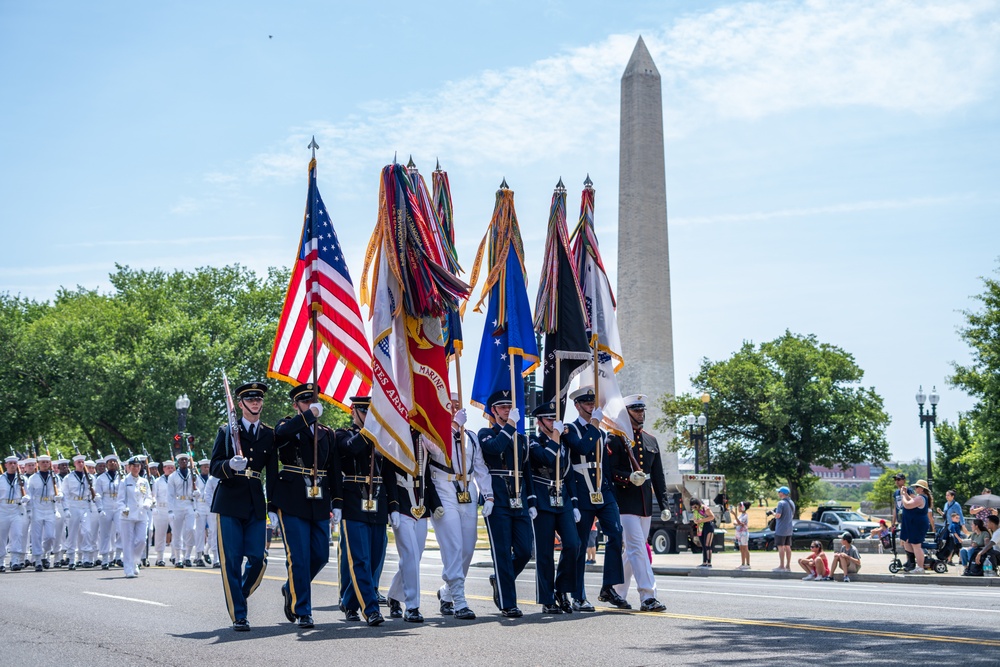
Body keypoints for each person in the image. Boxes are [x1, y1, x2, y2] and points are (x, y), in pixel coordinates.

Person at [273, 382, 345, 629]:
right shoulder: (288, 426)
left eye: (314, 401)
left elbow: (334, 470)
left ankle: (290, 587)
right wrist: (307, 416)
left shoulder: (328, 433)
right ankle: (303, 609)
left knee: (320, 555)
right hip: (292, 498)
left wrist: (337, 502)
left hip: (319, 499)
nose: (311, 405)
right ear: (296, 405)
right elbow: (280, 436)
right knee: (300, 558)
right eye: (305, 402)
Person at [210, 381, 279, 631]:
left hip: (254, 503)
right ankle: (239, 614)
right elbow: (215, 466)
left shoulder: (269, 434)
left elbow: (272, 473)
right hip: (229, 502)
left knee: (258, 560)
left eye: (258, 399)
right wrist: (229, 466)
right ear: (240, 404)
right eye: (250, 399)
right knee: (232, 561)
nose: (255, 403)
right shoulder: (227, 431)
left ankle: (237, 595)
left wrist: (273, 506)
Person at [562, 386, 628, 611]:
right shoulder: (570, 429)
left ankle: (608, 587)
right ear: (577, 406)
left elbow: (606, 466)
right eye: (587, 404)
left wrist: (612, 493)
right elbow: (582, 447)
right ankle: (578, 594)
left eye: (593, 403)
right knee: (580, 544)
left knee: (616, 534)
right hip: (581, 490)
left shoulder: (600, 432)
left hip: (603, 490)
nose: (592, 407)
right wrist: (594, 424)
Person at [428, 393, 491, 621]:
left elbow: (480, 467)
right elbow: (435, 449)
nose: (455, 409)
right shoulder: (433, 433)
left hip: (467, 490)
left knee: (467, 547)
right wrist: (453, 426)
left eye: (458, 406)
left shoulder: (471, 438)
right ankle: (459, 600)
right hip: (443, 489)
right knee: (453, 544)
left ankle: (446, 592)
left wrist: (489, 496)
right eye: (451, 406)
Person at [607, 394, 669, 612]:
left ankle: (616, 590)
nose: (641, 414)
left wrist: (664, 505)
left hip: (644, 503)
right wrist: (627, 477)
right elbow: (609, 471)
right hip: (624, 501)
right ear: (626, 413)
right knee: (637, 547)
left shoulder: (651, 440)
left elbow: (659, 476)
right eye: (636, 410)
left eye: (642, 410)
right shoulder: (615, 439)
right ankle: (648, 596)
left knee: (633, 551)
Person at [337, 394, 394, 627]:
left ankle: (349, 601)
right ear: (354, 412)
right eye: (364, 412)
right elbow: (350, 450)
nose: (369, 416)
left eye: (372, 412)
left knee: (375, 559)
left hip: (378, 502)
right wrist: (370, 430)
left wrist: (394, 507)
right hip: (354, 501)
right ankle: (370, 609)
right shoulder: (343, 434)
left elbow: (389, 472)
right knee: (360, 558)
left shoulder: (382, 438)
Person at [479, 389, 536, 619]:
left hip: (519, 500)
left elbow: (527, 472)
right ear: (493, 411)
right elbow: (494, 449)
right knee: (501, 552)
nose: (507, 410)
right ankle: (507, 603)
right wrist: (511, 425)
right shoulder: (486, 433)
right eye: (502, 407)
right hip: (498, 500)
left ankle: (501, 579)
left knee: (524, 551)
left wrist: (530, 501)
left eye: (509, 407)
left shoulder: (521, 439)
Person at [528, 400, 581, 614]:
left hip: (563, 499)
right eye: (549, 419)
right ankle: (547, 598)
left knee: (573, 544)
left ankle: (562, 589)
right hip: (542, 500)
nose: (554, 421)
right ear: (540, 422)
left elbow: (568, 474)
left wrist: (575, 503)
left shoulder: (565, 443)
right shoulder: (532, 441)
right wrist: (557, 438)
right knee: (545, 552)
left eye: (555, 418)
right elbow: (546, 459)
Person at [386, 430, 439, 623]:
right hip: (401, 504)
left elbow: (427, 478)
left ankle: (393, 594)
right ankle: (412, 606)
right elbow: (388, 475)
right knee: (409, 554)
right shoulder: (394, 435)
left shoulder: (424, 439)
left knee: (415, 557)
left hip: (421, 505)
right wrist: (392, 506)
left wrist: (436, 504)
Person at [117, 457, 153, 578]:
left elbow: (148, 496)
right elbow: (120, 500)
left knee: (142, 540)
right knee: (128, 543)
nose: (136, 468)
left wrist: (148, 503)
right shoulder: (124, 481)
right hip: (127, 515)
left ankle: (135, 561)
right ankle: (128, 568)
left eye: (138, 466)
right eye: (133, 466)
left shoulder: (144, 481)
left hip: (142, 514)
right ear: (129, 467)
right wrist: (123, 508)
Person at [62, 453, 99, 569]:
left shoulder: (90, 477)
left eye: (82, 462)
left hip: (85, 505)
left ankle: (87, 558)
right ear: (74, 464)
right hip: (73, 505)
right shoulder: (68, 477)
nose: (81, 464)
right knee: (72, 533)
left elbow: (95, 493)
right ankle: (72, 558)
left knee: (87, 531)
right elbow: (65, 494)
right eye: (79, 462)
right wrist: (66, 508)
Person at [27, 454, 61, 571]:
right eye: (43, 462)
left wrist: (60, 496)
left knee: (50, 536)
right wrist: (29, 509)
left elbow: (59, 491)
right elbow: (29, 494)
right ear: (38, 464)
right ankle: (37, 560)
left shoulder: (54, 477)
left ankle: (44, 553)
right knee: (36, 536)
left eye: (47, 462)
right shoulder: (33, 478)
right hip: (37, 508)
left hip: (50, 508)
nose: (45, 464)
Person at [167, 452, 198, 568]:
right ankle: (178, 558)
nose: (184, 462)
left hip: (189, 504)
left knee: (191, 529)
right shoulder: (173, 476)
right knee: (176, 533)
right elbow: (170, 495)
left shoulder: (193, 475)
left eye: (186, 460)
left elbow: (197, 491)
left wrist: (197, 493)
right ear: (178, 463)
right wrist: (170, 510)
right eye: (182, 460)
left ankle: (188, 556)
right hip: (177, 504)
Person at [0, 455, 29, 572]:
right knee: (1, 536)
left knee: (17, 535)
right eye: (10, 463)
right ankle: (1, 561)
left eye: (14, 463)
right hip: (3, 509)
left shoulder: (23, 479)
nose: (12, 465)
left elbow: (29, 493)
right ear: (6, 465)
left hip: (17, 509)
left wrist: (27, 497)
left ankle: (15, 560)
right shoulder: (1, 479)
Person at [94, 454, 123, 570]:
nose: (112, 463)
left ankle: (117, 556)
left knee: (121, 531)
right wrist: (100, 508)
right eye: (110, 462)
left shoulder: (122, 477)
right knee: (105, 534)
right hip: (106, 506)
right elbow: (98, 495)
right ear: (106, 465)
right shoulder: (101, 478)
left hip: (118, 506)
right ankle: (105, 559)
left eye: (114, 461)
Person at [899, 479, 931, 574]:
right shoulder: (920, 498)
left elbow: (908, 505)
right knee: (908, 542)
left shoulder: (921, 498)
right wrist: (905, 494)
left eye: (917, 487)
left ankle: (920, 567)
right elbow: (911, 500)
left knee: (916, 545)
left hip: (918, 524)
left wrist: (902, 496)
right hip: (913, 524)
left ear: (922, 489)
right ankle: (911, 563)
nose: (915, 488)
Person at [151, 460, 174, 566]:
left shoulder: (177, 480)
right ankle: (160, 557)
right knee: (160, 534)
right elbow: (154, 495)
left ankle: (175, 556)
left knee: (176, 533)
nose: (170, 469)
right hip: (161, 509)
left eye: (172, 467)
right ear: (164, 469)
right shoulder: (158, 481)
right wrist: (154, 506)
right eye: (168, 467)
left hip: (174, 509)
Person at [772, 486, 795, 573]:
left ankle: (781, 565)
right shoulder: (791, 502)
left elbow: (778, 515)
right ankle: (788, 565)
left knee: (781, 547)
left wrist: (773, 513)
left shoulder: (781, 503)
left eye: (779, 492)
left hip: (781, 528)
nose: (778, 493)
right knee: (788, 546)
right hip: (789, 528)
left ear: (782, 493)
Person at [689, 498, 716, 567]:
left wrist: (702, 520)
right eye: (692, 506)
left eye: (695, 506)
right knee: (703, 545)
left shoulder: (705, 508)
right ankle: (704, 562)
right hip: (700, 527)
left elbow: (712, 517)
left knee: (708, 545)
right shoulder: (695, 511)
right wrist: (696, 521)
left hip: (708, 526)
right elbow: (695, 519)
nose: (694, 508)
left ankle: (709, 562)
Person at [733, 501, 751, 570]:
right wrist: (737, 522)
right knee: (741, 548)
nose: (738, 508)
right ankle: (743, 563)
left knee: (745, 548)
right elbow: (736, 523)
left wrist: (735, 516)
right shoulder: (740, 515)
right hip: (739, 533)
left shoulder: (745, 515)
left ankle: (748, 563)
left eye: (739, 507)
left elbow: (740, 523)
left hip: (744, 533)